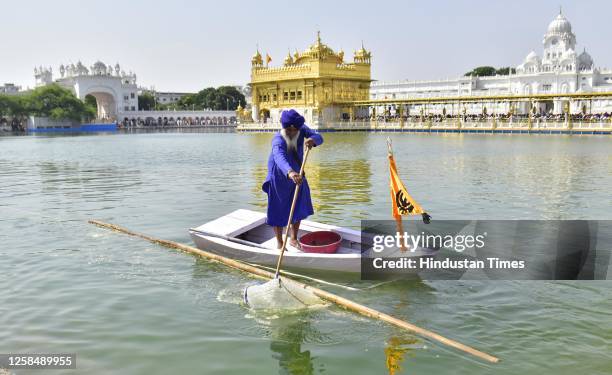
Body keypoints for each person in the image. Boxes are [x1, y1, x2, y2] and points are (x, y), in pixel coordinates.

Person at [262, 109, 324, 249]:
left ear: (297, 128)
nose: (290, 133)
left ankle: (293, 238)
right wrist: (290, 172)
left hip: (298, 170)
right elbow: (279, 157)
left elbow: (319, 136)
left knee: (299, 203)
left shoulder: (302, 129)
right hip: (279, 173)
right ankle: (279, 242)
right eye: (287, 130)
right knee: (277, 207)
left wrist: (313, 140)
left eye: (293, 130)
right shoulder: (278, 139)